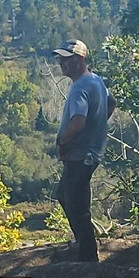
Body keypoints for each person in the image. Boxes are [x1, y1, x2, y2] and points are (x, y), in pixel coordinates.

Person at [52, 38, 115, 262]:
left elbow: (77, 122)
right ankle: (82, 245)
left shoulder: (80, 87)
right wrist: (97, 126)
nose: (62, 63)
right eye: (60, 59)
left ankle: (87, 256)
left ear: (80, 59)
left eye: (66, 59)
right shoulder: (96, 81)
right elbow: (111, 103)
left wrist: (62, 141)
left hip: (80, 154)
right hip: (91, 152)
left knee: (76, 204)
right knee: (66, 195)